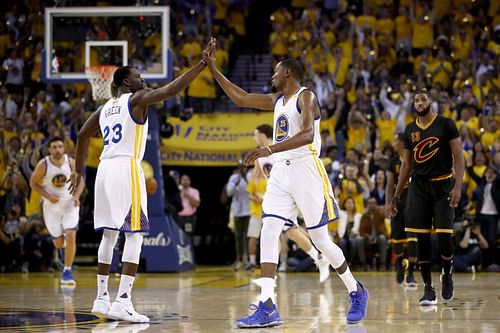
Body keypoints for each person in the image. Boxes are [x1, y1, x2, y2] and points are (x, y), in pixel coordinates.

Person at [207, 39, 368, 328]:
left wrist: (269, 149)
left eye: (276, 71)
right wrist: (214, 69)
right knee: (269, 229)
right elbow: (241, 98)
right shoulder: (276, 101)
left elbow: (307, 135)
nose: (272, 75)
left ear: (289, 74)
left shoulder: (306, 97)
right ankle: (267, 305)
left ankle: (356, 290)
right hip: (281, 172)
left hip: (307, 169)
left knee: (321, 240)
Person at [69, 40, 215, 323]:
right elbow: (172, 89)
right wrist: (201, 65)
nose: (143, 79)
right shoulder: (135, 99)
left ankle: (101, 298)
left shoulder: (104, 108)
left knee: (110, 235)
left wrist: (78, 172)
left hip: (103, 170)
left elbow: (82, 136)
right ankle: (123, 301)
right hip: (126, 168)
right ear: (126, 81)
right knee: (134, 235)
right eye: (138, 76)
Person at [390, 90, 464, 306]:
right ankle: (428, 289)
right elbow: (406, 165)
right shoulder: (410, 130)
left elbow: (458, 156)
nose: (420, 102)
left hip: (443, 185)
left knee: (444, 236)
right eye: (416, 100)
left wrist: (457, 186)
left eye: (423, 99)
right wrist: (396, 194)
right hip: (419, 187)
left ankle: (447, 274)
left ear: (431, 102)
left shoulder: (446, 124)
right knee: (421, 238)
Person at [252, 123, 330, 282]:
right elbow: (257, 176)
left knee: (275, 233)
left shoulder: (279, 149)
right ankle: (319, 258)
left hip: (289, 195)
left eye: (255, 134)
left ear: (263, 135)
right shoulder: (260, 155)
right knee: (291, 233)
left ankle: (269, 278)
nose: (254, 138)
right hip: (277, 197)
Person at [30, 136, 84, 284]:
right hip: (51, 207)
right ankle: (63, 244)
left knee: (71, 234)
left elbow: (81, 181)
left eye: (60, 146)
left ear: (64, 148)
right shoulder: (44, 165)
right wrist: (48, 195)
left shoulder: (71, 162)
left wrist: (76, 196)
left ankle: (67, 271)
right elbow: (33, 183)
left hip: (69, 204)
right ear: (49, 150)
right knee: (58, 243)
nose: (58, 149)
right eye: (54, 147)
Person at [385, 133, 417, 287]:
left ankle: (411, 272)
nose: (394, 144)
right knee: (397, 240)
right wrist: (388, 203)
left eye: (396, 141)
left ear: (403, 143)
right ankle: (399, 264)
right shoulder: (392, 162)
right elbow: (390, 184)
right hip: (398, 203)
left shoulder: (416, 159)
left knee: (413, 238)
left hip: (414, 202)